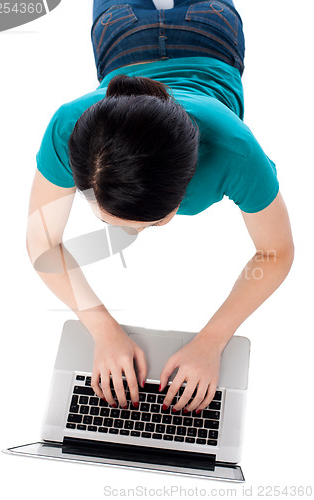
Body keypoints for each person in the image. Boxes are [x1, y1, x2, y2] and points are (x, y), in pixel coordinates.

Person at [26, 0, 294, 414]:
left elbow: (276, 252)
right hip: (163, 32)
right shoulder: (70, 128)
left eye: (152, 222)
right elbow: (41, 244)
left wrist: (211, 342)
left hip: (168, 33)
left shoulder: (235, 152)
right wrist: (102, 329)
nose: (133, 234)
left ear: (190, 182)